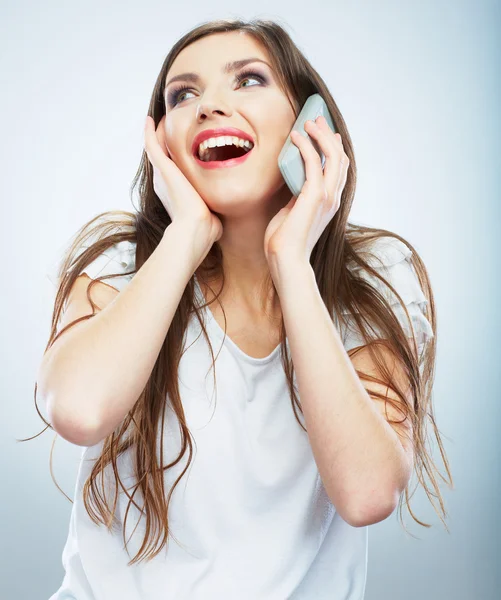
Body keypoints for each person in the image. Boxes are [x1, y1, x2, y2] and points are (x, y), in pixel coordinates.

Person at [28, 17, 452, 600]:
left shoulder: (377, 278)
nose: (208, 106)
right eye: (183, 95)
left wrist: (290, 261)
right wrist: (187, 235)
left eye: (248, 80)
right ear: (163, 141)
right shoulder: (121, 266)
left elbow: (366, 493)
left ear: (312, 124)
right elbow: (76, 409)